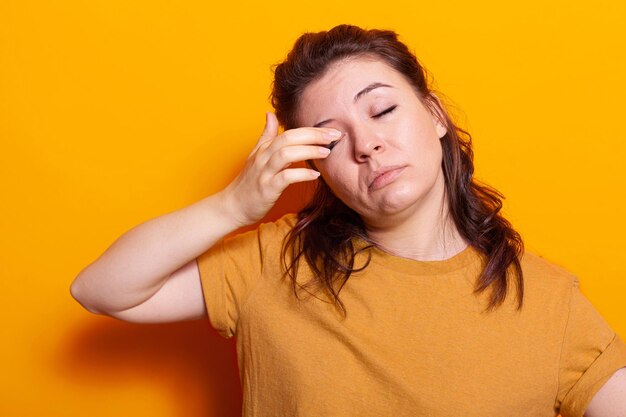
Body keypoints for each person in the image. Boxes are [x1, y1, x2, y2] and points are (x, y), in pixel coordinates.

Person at [70, 25, 626, 417]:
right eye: (332, 138)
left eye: (382, 109)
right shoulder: (273, 260)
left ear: (434, 117)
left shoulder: (552, 302)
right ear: (316, 168)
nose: (367, 144)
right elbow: (101, 289)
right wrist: (234, 206)